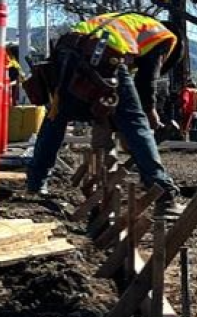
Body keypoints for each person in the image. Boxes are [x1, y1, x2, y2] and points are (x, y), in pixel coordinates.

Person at [26, 12, 183, 211]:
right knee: (136, 122)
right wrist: (151, 112)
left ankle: (36, 182)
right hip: (105, 55)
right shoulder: (164, 37)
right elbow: (146, 82)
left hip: (66, 52)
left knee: (57, 117)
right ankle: (162, 191)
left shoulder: (125, 20)